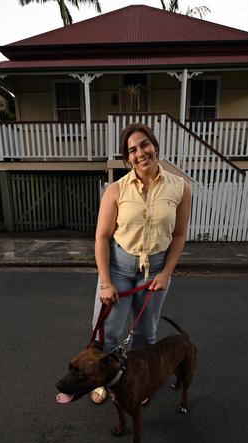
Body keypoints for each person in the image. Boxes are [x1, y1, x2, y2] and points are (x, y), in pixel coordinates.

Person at [90, 122, 191, 404]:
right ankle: (103, 380)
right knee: (109, 333)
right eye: (132, 150)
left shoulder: (180, 188)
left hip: (155, 271)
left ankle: (137, 382)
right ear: (128, 158)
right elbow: (101, 238)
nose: (140, 153)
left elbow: (180, 235)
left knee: (146, 334)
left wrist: (167, 273)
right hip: (119, 268)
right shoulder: (116, 190)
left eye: (144, 144)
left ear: (155, 146)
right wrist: (106, 282)